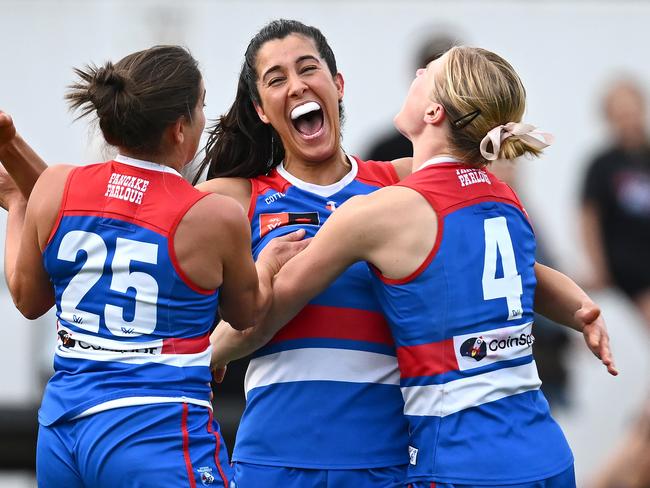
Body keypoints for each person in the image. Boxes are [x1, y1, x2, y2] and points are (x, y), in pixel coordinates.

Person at [195, 20, 615, 488]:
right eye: (276, 79)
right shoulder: (233, 198)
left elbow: (504, 261)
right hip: (276, 457)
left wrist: (579, 309)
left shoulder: (401, 185)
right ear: (261, 110)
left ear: (337, 86)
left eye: (307, 68)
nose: (296, 85)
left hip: (390, 461)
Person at [0, 45, 306, 487]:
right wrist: (269, 263)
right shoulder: (212, 214)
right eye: (202, 106)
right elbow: (247, 312)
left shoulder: (54, 186)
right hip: (155, 433)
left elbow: (28, 299)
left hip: (61, 433)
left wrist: (16, 202)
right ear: (180, 129)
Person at [581, 78, 650, 331]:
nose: (628, 120)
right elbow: (588, 219)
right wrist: (598, 268)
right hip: (629, 271)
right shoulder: (602, 165)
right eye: (620, 114)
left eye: (632, 112)